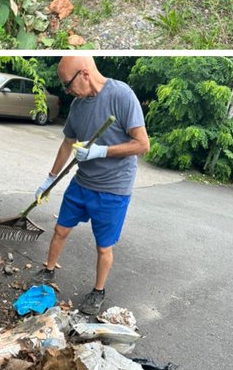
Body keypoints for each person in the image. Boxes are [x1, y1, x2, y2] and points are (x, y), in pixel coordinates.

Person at [35, 56, 149, 315]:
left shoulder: (122, 96)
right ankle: (48, 270)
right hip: (82, 182)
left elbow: (142, 144)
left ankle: (98, 291)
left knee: (103, 245)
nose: (67, 90)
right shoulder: (77, 105)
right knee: (60, 229)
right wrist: (50, 179)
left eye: (67, 84)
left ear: (84, 73)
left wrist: (101, 152)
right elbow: (67, 143)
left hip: (113, 188)